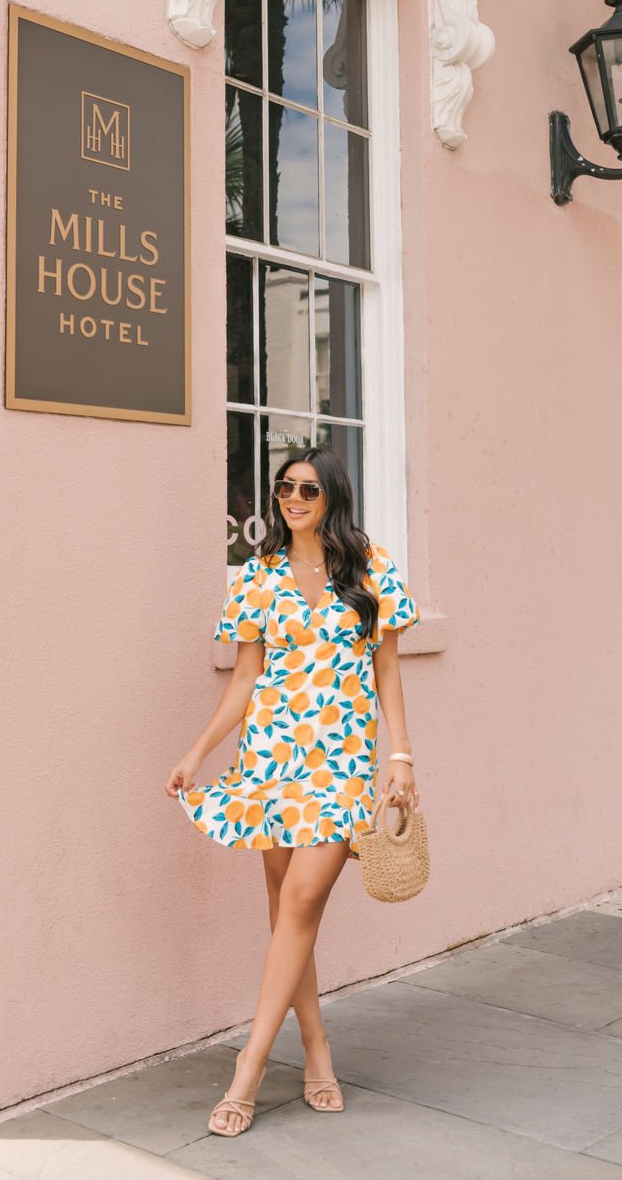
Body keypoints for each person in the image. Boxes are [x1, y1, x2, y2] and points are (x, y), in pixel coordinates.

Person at [165, 446, 421, 1137]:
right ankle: (316, 1052)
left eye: (307, 487)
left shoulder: (370, 566)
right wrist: (197, 752)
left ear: (333, 494)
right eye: (284, 487)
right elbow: (245, 679)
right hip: (271, 760)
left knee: (304, 899)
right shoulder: (259, 576)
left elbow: (389, 670)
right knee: (288, 914)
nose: (293, 497)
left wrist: (399, 755)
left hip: (341, 761)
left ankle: (247, 1069)